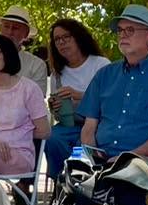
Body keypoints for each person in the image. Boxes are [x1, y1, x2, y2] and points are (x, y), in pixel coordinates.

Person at [77, 5, 148, 163]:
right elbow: (89, 127)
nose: (122, 35)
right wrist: (93, 159)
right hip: (102, 164)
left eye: (130, 30)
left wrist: (126, 159)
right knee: (69, 181)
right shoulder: (104, 75)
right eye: (120, 30)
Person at [0, 34, 51, 181]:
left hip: (18, 154)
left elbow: (44, 131)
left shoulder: (29, 89)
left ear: (8, 55)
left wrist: (15, 136)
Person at [42, 18, 108, 178]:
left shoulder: (100, 64)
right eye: (57, 39)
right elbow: (59, 116)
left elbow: (110, 101)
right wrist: (54, 107)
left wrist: (77, 95)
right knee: (51, 138)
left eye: (66, 37)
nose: (62, 42)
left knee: (82, 145)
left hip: (99, 125)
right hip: (69, 125)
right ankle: (64, 182)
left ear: (78, 36)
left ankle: (80, 181)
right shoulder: (57, 74)